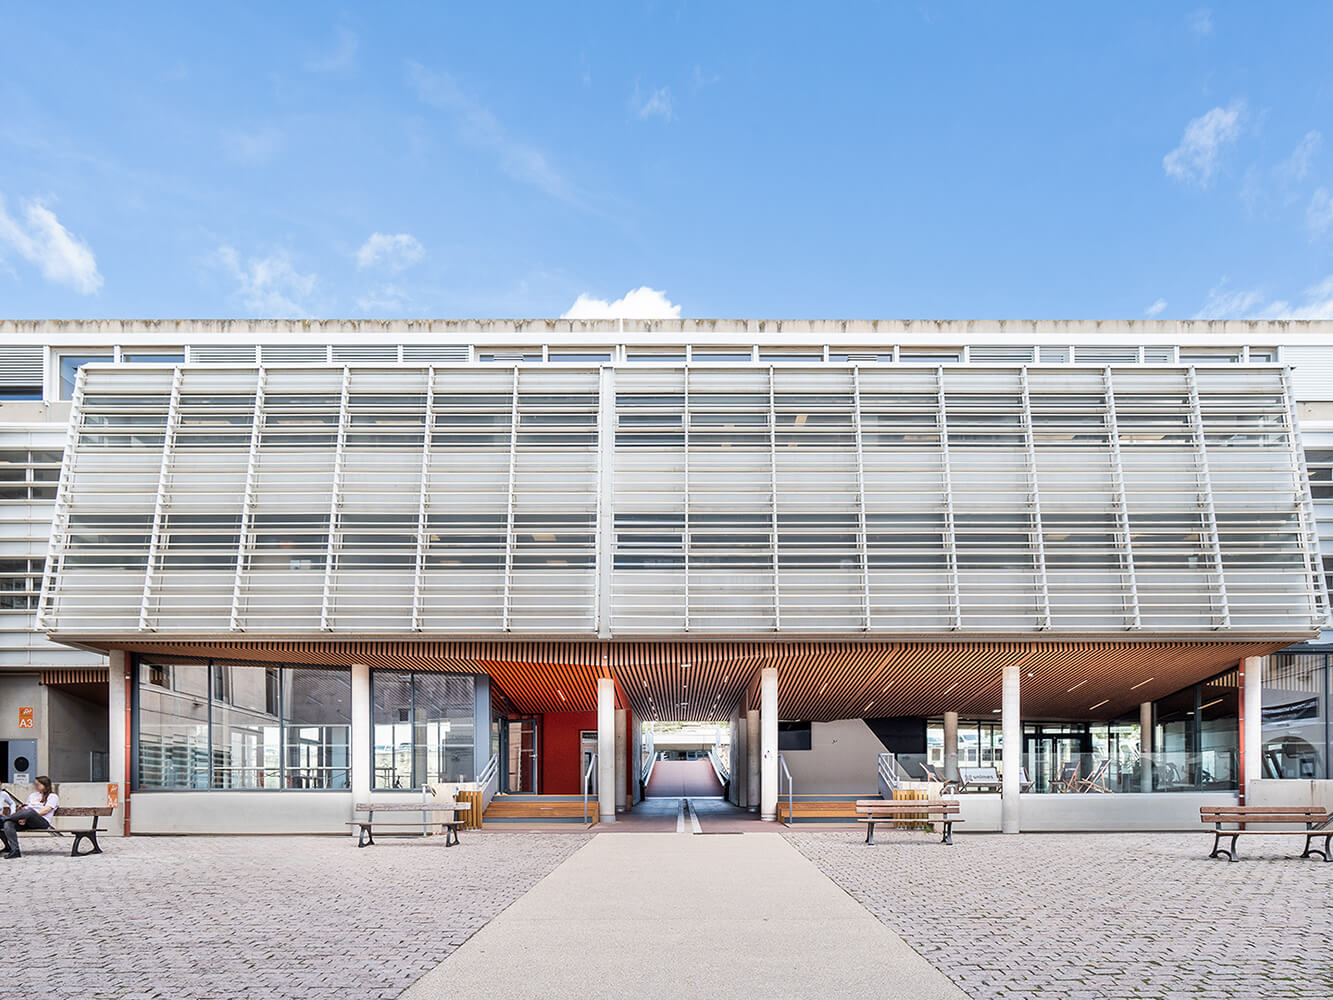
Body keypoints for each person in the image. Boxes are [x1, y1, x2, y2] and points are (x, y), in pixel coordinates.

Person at [2, 775, 59, 859]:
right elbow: (25, 809)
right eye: (35, 784)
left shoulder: (53, 796)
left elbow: (46, 810)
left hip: (42, 821)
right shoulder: (33, 795)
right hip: (28, 820)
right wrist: (21, 814)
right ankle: (15, 850)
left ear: (45, 785)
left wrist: (29, 815)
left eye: (38, 784)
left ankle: (4, 818)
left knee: (30, 812)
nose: (35, 786)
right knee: (8, 823)